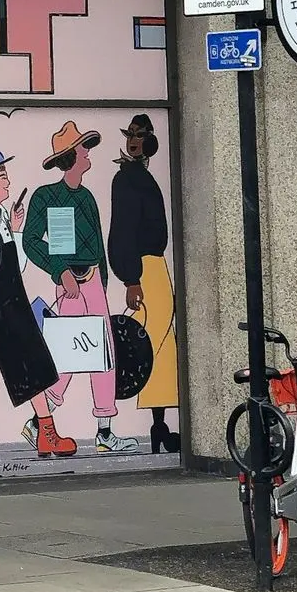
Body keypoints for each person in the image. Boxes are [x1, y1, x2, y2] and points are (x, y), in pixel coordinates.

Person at [23, 122, 138, 455]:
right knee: (67, 355)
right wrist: (59, 271)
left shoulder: (86, 197)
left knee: (104, 356)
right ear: (72, 156)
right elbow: (31, 241)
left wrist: (101, 284)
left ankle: (104, 431)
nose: (88, 153)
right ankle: (38, 423)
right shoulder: (46, 196)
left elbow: (98, 245)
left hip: (93, 284)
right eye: (84, 148)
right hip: (70, 285)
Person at [0, 149, 74, 458]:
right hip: (0, 305)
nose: (9, 184)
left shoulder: (1, 219)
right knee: (26, 362)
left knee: (34, 361)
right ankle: (46, 432)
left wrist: (17, 229)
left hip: (15, 300)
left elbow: (19, 265)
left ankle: (46, 433)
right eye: (3, 178)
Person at [108, 114, 179, 454]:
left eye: (140, 134)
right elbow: (121, 229)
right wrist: (130, 277)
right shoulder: (126, 179)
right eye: (131, 134)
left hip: (156, 265)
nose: (134, 139)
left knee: (163, 348)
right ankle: (152, 426)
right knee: (148, 343)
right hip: (144, 268)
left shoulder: (141, 176)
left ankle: (159, 426)